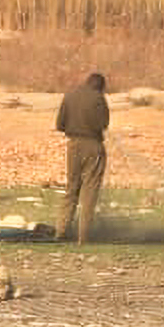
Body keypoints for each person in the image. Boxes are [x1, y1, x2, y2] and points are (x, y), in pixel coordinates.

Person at [53, 71, 109, 243]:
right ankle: (83, 237)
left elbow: (59, 125)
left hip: (73, 146)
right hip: (93, 146)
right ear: (101, 87)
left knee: (71, 189)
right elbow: (103, 124)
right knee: (89, 193)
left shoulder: (70, 95)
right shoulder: (99, 98)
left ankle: (61, 231)